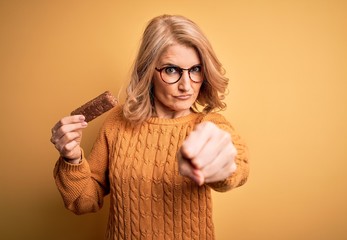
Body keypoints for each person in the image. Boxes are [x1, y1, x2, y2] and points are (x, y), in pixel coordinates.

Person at [50, 14, 249, 240]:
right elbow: (83, 201)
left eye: (195, 69)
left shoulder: (208, 125)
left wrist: (221, 165)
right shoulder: (117, 122)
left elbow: (238, 167)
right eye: (172, 70)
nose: (186, 85)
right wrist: (72, 158)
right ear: (147, 71)